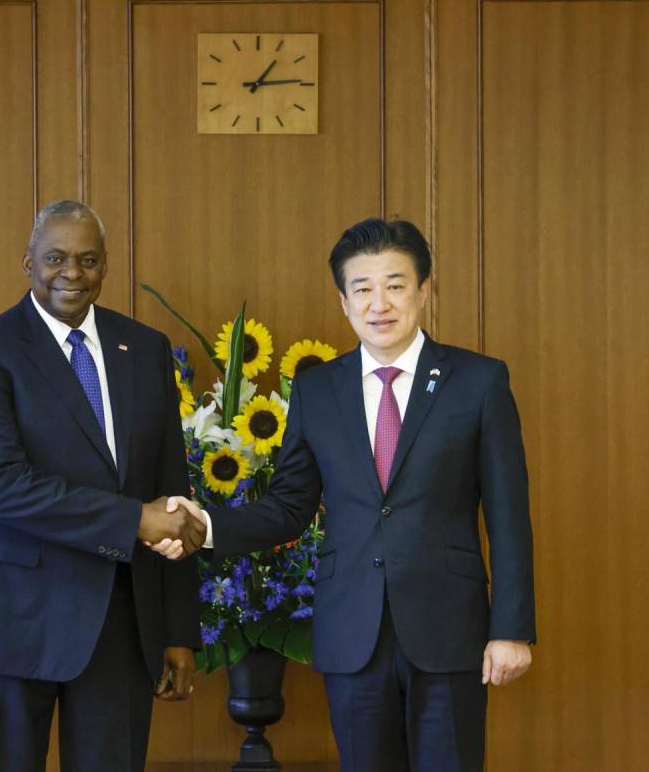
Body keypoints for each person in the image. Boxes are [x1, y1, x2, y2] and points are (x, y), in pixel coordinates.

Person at [156, 218, 536, 772]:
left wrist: (511, 629)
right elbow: (289, 506)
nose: (379, 303)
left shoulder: (477, 382)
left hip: (449, 628)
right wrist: (206, 526)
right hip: (351, 632)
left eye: (395, 285)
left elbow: (508, 516)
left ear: (423, 290)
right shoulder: (318, 389)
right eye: (362, 289)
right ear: (343, 301)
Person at [0, 199, 205, 771]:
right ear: (27, 263)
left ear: (106, 266)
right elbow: (3, 487)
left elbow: (172, 489)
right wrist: (134, 519)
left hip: (120, 618)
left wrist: (179, 629)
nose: (72, 272)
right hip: (11, 618)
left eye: (87, 259)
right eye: (55, 257)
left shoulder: (146, 349)